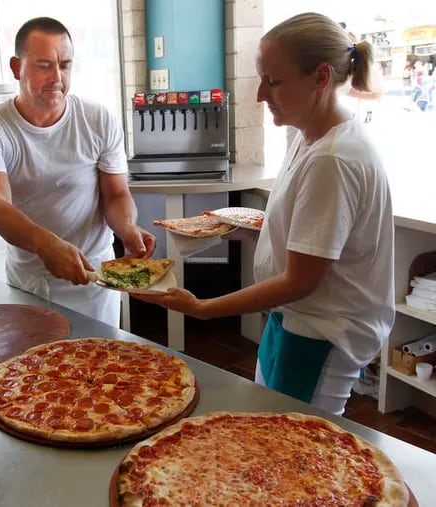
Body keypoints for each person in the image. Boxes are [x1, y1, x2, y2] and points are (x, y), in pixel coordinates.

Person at [135, 12, 394, 416]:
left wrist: (203, 307)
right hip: (292, 320)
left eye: (273, 81)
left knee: (297, 448)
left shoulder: (333, 159)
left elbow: (301, 281)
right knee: (267, 423)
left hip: (322, 329)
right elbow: (307, 237)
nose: (259, 94)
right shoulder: (306, 135)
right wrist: (244, 230)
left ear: (320, 78)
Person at [0, 17, 155, 326]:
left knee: (103, 365)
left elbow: (116, 194)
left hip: (95, 277)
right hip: (32, 281)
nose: (57, 77)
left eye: (65, 65)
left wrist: (128, 228)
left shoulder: (97, 119)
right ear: (16, 67)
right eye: (44, 66)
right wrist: (47, 245)